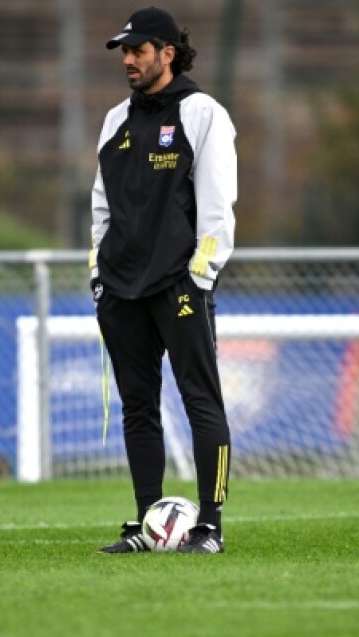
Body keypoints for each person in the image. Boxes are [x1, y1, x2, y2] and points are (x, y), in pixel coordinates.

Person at [90, 7, 237, 555]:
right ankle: (145, 524)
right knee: (138, 406)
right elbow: (101, 208)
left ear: (167, 54)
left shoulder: (203, 114)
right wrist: (98, 275)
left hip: (179, 284)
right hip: (120, 288)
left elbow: (218, 207)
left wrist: (201, 275)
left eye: (138, 50)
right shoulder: (115, 120)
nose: (128, 60)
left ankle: (210, 527)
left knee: (202, 401)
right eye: (124, 52)